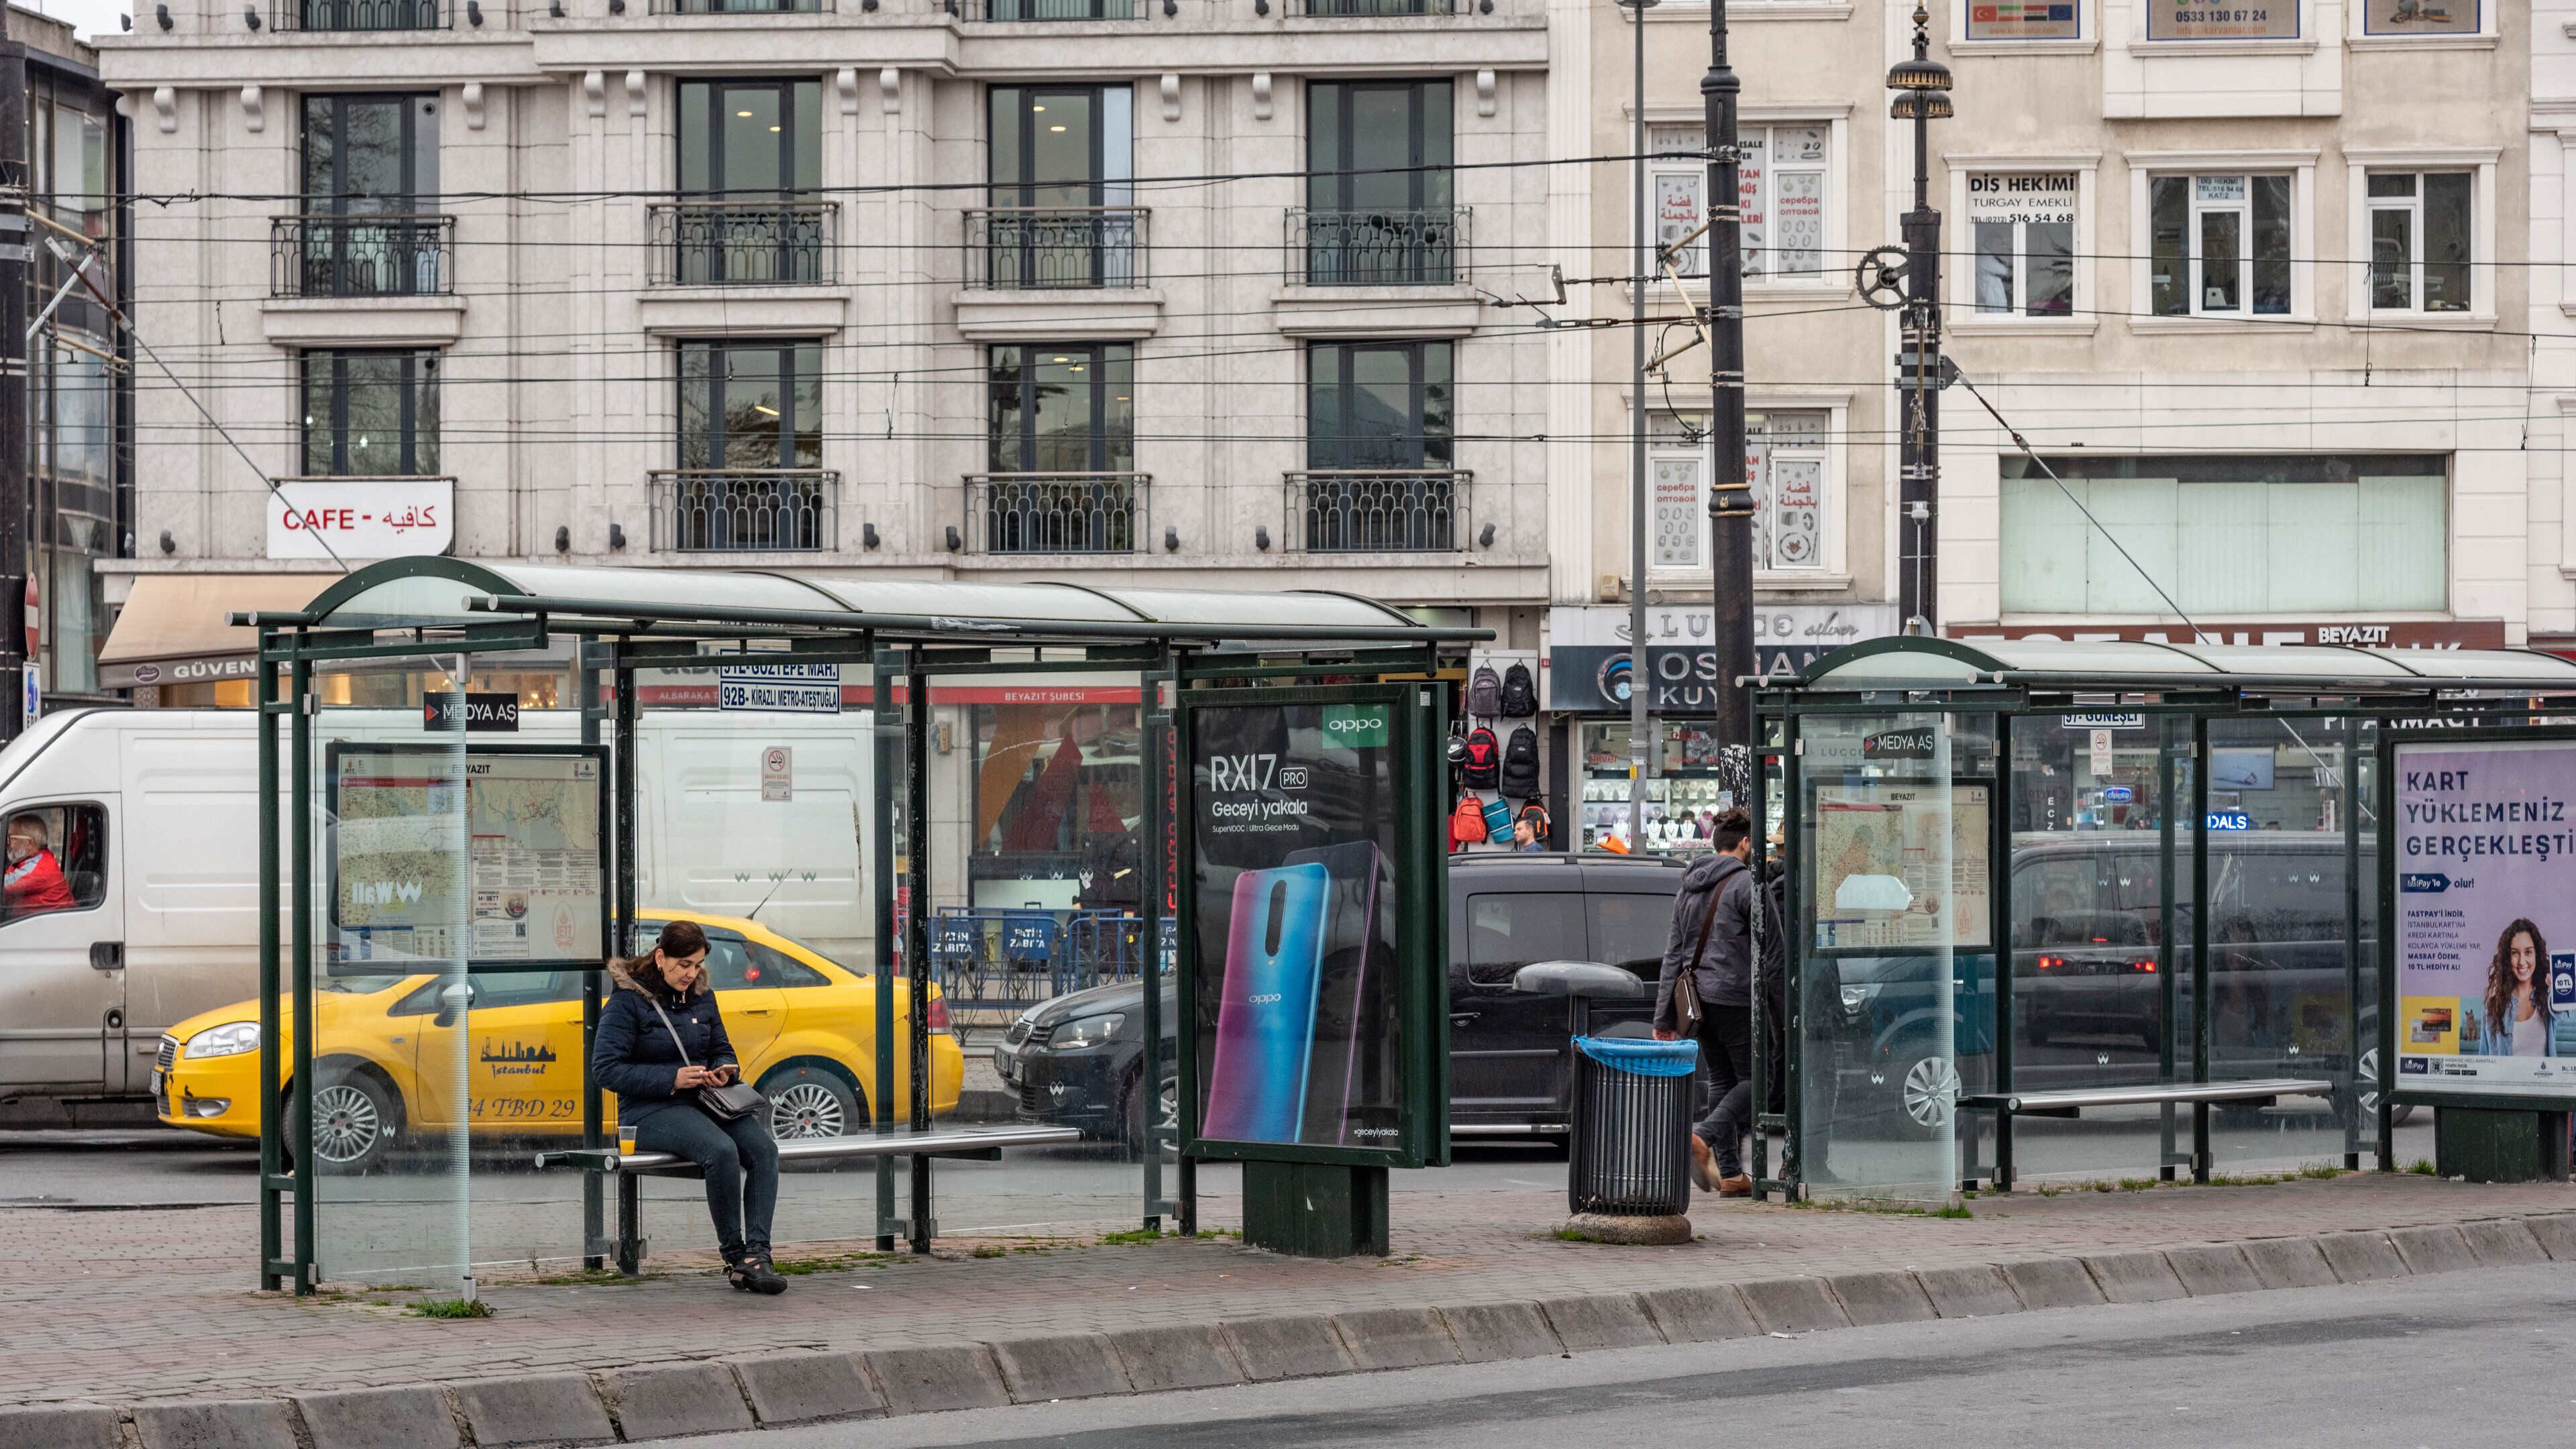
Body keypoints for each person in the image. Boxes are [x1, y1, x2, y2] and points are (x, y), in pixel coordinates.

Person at [592, 918, 786, 1293]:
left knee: (764, 1150)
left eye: (697, 965)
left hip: (706, 1101)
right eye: (684, 965)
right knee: (721, 1151)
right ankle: (735, 1255)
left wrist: (723, 1071)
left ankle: (757, 1255)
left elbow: (721, 1048)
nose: (691, 973)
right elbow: (606, 1069)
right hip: (648, 1111)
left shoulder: (702, 995)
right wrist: (672, 1079)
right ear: (661, 957)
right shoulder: (627, 1001)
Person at [1654, 806, 1758, 1196]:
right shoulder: (1745, 884)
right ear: (1745, 843)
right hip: (1734, 996)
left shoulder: (1689, 884)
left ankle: (1731, 1175)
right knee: (1758, 1079)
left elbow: (1673, 952)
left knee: (1722, 1078)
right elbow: (1771, 948)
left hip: (1694, 1001)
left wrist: (1664, 1016)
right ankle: (1704, 1136)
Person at [2477, 918, 2555, 1058]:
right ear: (2508, 957)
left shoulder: (2549, 1000)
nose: (2521, 961)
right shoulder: (2492, 1006)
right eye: (2515, 953)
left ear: (2537, 954)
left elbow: (2566, 1015)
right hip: (2504, 1080)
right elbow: (2483, 1058)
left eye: (2528, 952)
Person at [4, 814, 75, 918]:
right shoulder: (28, 861)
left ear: (29, 843)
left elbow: (5, 885)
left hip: (54, 930)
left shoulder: (40, 867)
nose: (7, 843)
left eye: (11, 838)